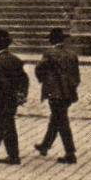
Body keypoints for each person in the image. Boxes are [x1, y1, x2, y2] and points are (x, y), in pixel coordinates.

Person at [34, 28, 81, 164]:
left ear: (51, 40)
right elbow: (76, 77)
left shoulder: (49, 54)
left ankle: (70, 153)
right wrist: (71, 88)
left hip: (54, 93)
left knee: (61, 122)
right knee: (56, 119)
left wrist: (45, 82)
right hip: (68, 94)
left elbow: (39, 69)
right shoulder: (72, 55)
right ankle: (45, 145)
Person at [0, 29, 29, 164]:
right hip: (13, 100)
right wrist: (21, 95)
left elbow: (2, 84)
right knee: (0, 124)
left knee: (7, 126)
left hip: (4, 100)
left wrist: (2, 100)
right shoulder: (15, 59)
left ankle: (13, 156)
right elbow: (24, 79)